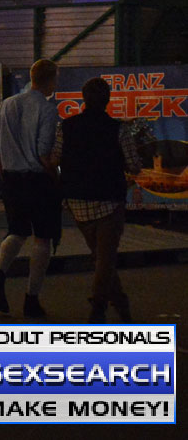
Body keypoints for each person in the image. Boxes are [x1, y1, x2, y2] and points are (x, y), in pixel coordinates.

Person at [51, 78, 143, 323]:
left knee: (102, 257)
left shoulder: (66, 126)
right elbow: (134, 166)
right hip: (109, 202)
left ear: (83, 98)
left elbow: (55, 159)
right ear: (108, 100)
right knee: (105, 258)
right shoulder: (118, 129)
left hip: (77, 202)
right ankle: (99, 307)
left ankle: (121, 303)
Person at [0, 59, 60, 318]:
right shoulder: (47, 109)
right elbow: (43, 154)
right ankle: (31, 297)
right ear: (51, 81)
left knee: (17, 231)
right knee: (43, 238)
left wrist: (5, 175)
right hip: (38, 180)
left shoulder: (6, 105)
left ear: (32, 76)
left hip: (11, 178)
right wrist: (55, 177)